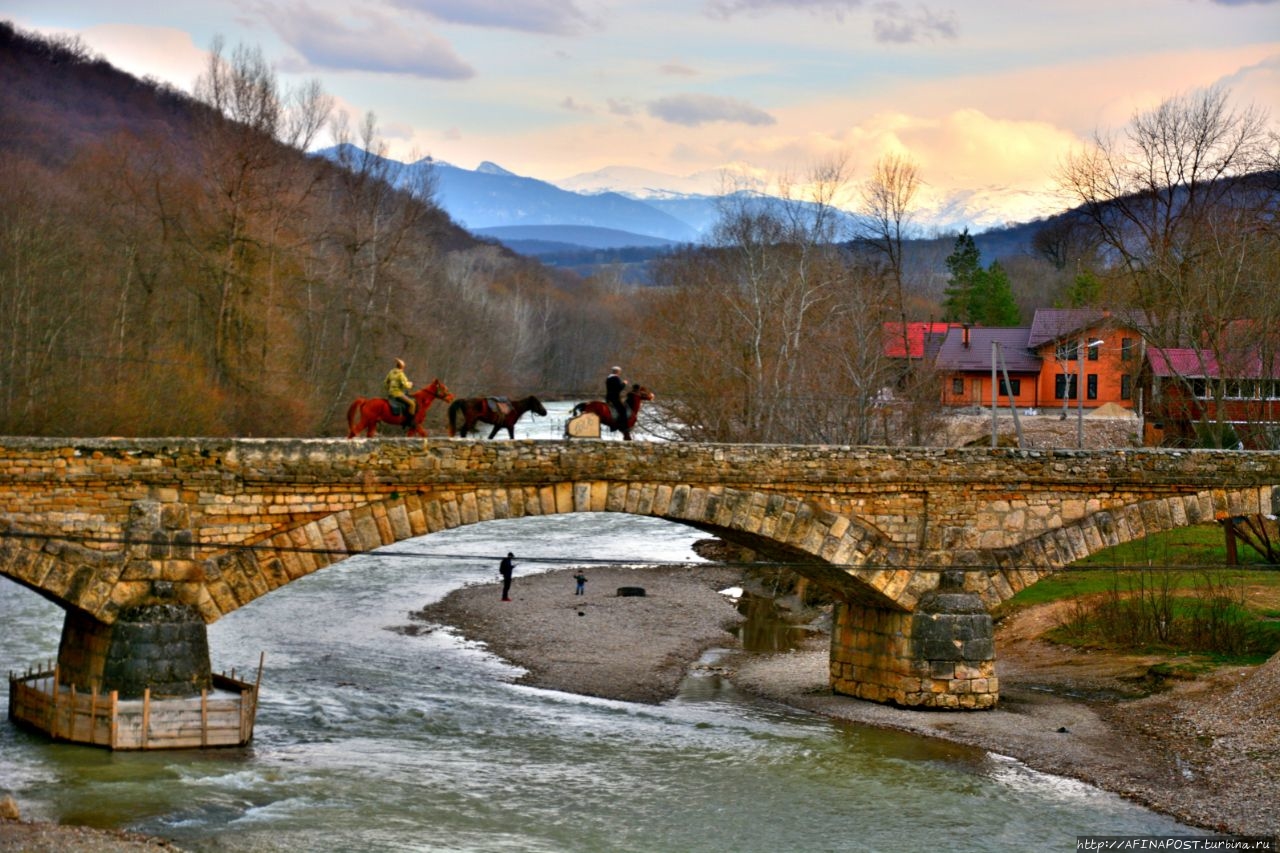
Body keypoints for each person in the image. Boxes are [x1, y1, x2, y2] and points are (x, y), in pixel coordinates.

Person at [384, 359, 415, 428]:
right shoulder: (401, 374)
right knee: (412, 404)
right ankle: (409, 422)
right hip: (398, 394)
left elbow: (386, 382)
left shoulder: (391, 372)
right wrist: (411, 384)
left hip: (390, 393)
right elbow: (405, 384)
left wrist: (388, 389)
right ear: (402, 367)